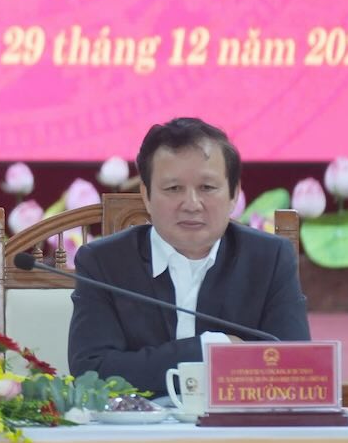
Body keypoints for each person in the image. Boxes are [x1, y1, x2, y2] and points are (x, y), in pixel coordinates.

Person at [67, 117, 310, 396]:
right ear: (146, 195)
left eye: (207, 188)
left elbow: (295, 366)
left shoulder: (268, 259)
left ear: (234, 194)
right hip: (137, 423)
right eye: (173, 189)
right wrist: (208, 350)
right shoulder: (104, 262)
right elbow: (92, 373)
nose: (192, 205)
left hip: (236, 422)